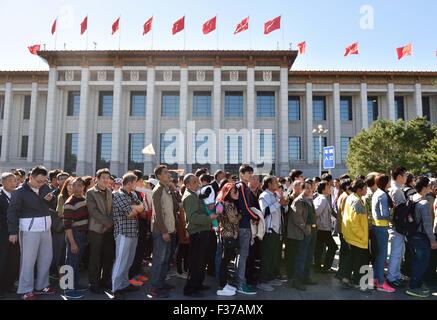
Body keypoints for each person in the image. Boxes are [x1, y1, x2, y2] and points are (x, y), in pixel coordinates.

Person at [7, 166, 56, 300]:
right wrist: (12, 231)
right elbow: (12, 212)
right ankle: (25, 289)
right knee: (28, 261)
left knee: (46, 258)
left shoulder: (45, 188)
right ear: (30, 177)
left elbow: (53, 205)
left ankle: (42, 285)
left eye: (44, 181)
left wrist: (51, 199)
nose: (42, 183)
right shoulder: (19, 192)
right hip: (29, 230)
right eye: (39, 181)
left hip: (46, 228)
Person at [111, 173, 145, 300]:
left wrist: (135, 208)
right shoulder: (117, 195)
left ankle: (124, 284)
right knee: (120, 261)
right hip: (123, 232)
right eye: (135, 182)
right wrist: (136, 208)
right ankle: (115, 289)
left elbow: (142, 208)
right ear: (130, 183)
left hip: (133, 232)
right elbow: (130, 213)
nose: (137, 185)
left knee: (128, 261)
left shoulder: (134, 194)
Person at [182, 173, 216, 297]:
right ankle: (190, 288)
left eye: (197, 181)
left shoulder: (194, 194)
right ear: (187, 185)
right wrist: (209, 217)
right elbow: (193, 217)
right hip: (198, 232)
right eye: (194, 182)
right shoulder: (190, 196)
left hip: (201, 230)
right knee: (196, 262)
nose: (198, 183)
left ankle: (197, 284)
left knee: (201, 260)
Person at [406, 177, 437, 298]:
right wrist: (433, 240)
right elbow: (427, 225)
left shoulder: (413, 198)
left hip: (412, 234)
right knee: (423, 263)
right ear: (424, 188)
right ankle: (413, 287)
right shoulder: (423, 203)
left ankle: (416, 283)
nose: (431, 188)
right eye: (429, 186)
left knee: (415, 261)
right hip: (421, 237)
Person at [257, 176, 288, 292]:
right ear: (269, 184)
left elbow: (283, 210)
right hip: (269, 230)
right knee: (266, 257)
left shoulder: (275, 195)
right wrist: (279, 203)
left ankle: (270, 278)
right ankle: (262, 281)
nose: (277, 183)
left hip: (277, 230)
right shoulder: (264, 195)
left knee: (274, 257)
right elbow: (265, 211)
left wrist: (284, 204)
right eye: (275, 182)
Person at [86, 168, 115, 294]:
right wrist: (107, 222)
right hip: (96, 230)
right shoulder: (90, 193)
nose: (105, 180)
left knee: (108, 257)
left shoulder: (110, 191)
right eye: (103, 177)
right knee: (95, 258)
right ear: (97, 179)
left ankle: (105, 280)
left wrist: (110, 223)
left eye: (107, 178)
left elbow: (113, 209)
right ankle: (94, 283)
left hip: (108, 230)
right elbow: (93, 211)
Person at [149, 165, 175, 299]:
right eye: (165, 173)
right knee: (159, 260)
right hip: (161, 231)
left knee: (165, 259)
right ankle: (154, 287)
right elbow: (157, 214)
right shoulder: (158, 190)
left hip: (169, 229)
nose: (169, 174)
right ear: (159, 176)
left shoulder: (167, 189)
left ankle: (161, 283)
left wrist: (173, 189)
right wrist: (164, 232)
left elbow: (173, 208)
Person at [342, 179, 370, 293]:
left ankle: (346, 278)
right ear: (359, 189)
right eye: (365, 188)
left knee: (353, 259)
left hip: (352, 235)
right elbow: (353, 222)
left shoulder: (352, 197)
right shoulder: (356, 201)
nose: (366, 190)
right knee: (359, 261)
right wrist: (362, 235)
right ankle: (356, 282)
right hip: (357, 237)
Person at [235, 164, 259, 295]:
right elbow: (245, 207)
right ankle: (241, 283)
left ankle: (239, 281)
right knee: (243, 255)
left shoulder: (242, 187)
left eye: (252, 173)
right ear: (241, 174)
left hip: (243, 224)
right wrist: (256, 217)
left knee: (241, 255)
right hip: (244, 225)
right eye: (249, 173)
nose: (251, 176)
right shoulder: (242, 187)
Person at [63, 177, 89, 299]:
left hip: (82, 234)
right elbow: (67, 226)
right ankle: (67, 290)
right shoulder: (69, 203)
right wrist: (72, 243)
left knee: (77, 261)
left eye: (80, 185)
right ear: (70, 187)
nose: (77, 188)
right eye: (74, 185)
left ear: (83, 187)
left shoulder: (84, 199)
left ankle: (76, 284)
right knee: (70, 261)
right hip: (74, 234)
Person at [290, 180, 317, 291]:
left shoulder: (309, 200)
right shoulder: (299, 201)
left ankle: (306, 277)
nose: (309, 189)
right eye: (306, 187)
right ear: (302, 189)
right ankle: (297, 281)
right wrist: (306, 229)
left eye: (310, 187)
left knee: (309, 256)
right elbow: (297, 219)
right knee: (301, 257)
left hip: (312, 231)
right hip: (303, 233)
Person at [371, 174, 396, 293]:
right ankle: (381, 282)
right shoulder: (382, 194)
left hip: (376, 226)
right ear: (386, 182)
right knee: (382, 255)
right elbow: (384, 213)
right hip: (382, 227)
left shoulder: (377, 192)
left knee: (379, 255)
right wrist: (393, 213)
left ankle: (377, 278)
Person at [215, 182, 241, 296]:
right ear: (228, 193)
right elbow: (233, 220)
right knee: (225, 261)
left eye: (237, 190)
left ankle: (224, 284)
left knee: (227, 259)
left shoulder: (231, 204)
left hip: (231, 235)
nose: (237, 193)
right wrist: (241, 214)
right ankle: (222, 285)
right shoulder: (227, 204)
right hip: (228, 235)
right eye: (234, 191)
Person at [387, 166, 408, 288]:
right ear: (399, 176)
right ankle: (392, 276)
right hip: (397, 227)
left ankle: (396, 274)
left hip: (396, 226)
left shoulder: (397, 189)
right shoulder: (396, 190)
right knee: (396, 252)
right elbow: (399, 212)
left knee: (399, 252)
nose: (406, 177)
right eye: (404, 175)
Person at [0, 173, 19, 299]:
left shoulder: (16, 195)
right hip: (2, 234)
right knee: (2, 261)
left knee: (13, 261)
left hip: (15, 234)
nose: (14, 183)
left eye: (15, 180)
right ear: (3, 182)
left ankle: (8, 285)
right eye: (10, 180)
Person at [129, 170, 149, 286]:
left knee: (140, 250)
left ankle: (137, 271)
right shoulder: (132, 193)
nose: (142, 183)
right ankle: (132, 276)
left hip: (142, 225)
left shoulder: (140, 192)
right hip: (136, 224)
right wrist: (145, 212)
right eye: (141, 180)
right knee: (134, 252)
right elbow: (137, 209)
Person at [50, 174, 73, 280]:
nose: (64, 181)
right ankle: (57, 274)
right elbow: (57, 213)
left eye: (66, 179)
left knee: (68, 254)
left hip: (72, 229)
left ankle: (66, 277)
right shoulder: (55, 194)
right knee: (59, 252)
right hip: (59, 228)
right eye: (61, 179)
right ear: (57, 181)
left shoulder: (76, 195)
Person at [313, 181, 338, 273]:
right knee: (333, 247)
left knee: (319, 248)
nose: (330, 189)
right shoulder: (322, 199)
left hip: (323, 228)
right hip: (322, 228)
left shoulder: (322, 198)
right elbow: (316, 212)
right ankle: (325, 267)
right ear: (323, 190)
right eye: (328, 187)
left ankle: (319, 266)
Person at [285, 180, 303, 280]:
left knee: (297, 253)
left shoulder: (301, 199)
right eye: (301, 186)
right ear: (295, 188)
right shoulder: (290, 199)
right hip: (290, 230)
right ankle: (290, 274)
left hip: (299, 231)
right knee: (291, 253)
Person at [335, 178, 352, 285]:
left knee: (344, 251)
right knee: (347, 252)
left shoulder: (342, 195)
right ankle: (343, 274)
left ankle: (341, 272)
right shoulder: (346, 197)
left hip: (342, 228)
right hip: (345, 229)